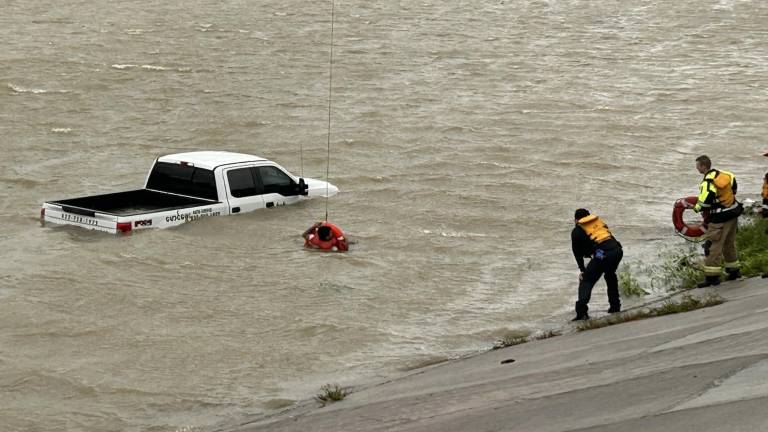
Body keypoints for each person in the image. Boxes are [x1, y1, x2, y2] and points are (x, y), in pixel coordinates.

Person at [691, 155, 743, 287]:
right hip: (733, 212)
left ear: (703, 166)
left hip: (719, 218)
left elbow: (705, 202)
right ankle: (734, 270)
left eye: (697, 166)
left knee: (714, 246)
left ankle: (712, 277)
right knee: (729, 243)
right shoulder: (727, 175)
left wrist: (695, 208)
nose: (697, 168)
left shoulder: (707, 183)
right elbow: (734, 189)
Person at [571, 208, 623, 321]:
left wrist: (582, 270)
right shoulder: (598, 224)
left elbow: (577, 253)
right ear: (589, 216)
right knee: (610, 274)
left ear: (576, 220)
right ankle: (615, 306)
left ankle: (582, 313)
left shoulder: (577, 230)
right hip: (617, 251)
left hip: (603, 254)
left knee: (586, 280)